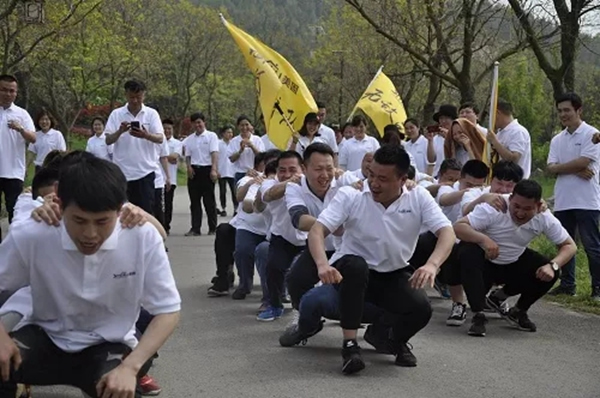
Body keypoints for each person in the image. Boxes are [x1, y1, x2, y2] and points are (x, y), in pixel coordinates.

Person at [0, 155, 180, 398]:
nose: (90, 234)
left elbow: (168, 309)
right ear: (59, 203)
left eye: (102, 221)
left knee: (118, 388)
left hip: (109, 346)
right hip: (47, 336)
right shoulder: (33, 233)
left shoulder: (141, 236)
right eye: (79, 220)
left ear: (120, 209)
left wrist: (131, 367)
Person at [305, 145, 455, 374]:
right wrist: (322, 265)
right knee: (356, 266)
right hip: (349, 269)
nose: (374, 183)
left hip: (392, 272)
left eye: (383, 179)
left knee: (421, 307)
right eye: (371, 174)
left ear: (403, 179)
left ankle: (388, 337)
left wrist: (432, 265)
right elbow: (317, 231)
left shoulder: (418, 197)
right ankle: (350, 345)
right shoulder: (351, 194)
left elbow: (447, 232)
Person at [454, 180, 577, 336]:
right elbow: (458, 227)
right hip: (484, 263)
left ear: (539, 206)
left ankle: (518, 310)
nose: (520, 213)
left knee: (550, 269)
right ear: (510, 199)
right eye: (516, 206)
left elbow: (570, 246)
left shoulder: (544, 217)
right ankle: (478, 314)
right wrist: (484, 240)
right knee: (467, 251)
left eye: (527, 209)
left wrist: (553, 266)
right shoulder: (495, 207)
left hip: (512, 262)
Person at [548, 93, 600, 300]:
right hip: (563, 199)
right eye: (560, 111)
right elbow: (550, 168)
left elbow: (583, 162)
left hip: (587, 200)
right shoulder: (557, 139)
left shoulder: (592, 134)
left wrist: (565, 167)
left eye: (567, 110)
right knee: (564, 244)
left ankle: (597, 287)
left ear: (579, 110)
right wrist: (575, 167)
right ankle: (567, 284)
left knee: (592, 246)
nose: (563, 114)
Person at [256, 151, 305, 321]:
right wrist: (289, 182)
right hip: (282, 237)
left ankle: (307, 309)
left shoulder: (309, 182)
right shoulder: (270, 183)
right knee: (274, 269)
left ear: (303, 169)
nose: (286, 174)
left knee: (302, 276)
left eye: (292, 169)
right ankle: (275, 306)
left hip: (307, 238)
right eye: (282, 170)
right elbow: (269, 195)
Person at [104, 79, 165, 213]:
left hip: (145, 172)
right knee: (122, 214)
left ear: (144, 95)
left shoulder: (151, 114)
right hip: (122, 173)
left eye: (139, 97)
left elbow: (160, 138)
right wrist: (120, 131)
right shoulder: (116, 114)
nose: (135, 101)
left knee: (146, 214)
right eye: (132, 97)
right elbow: (108, 140)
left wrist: (146, 135)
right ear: (126, 95)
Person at [0, 74, 36, 242]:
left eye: (11, 91)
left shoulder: (22, 114)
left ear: (16, 93)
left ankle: (13, 248)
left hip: (13, 171)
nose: (8, 94)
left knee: (14, 213)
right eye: (4, 90)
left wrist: (20, 129)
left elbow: (33, 138)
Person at [182, 112, 219, 236]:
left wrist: (214, 169)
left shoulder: (211, 136)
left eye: (199, 122)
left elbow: (214, 153)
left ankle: (213, 228)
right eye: (195, 123)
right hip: (194, 171)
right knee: (194, 202)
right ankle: (195, 228)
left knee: (209, 201)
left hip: (207, 170)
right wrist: (188, 167)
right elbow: (187, 155)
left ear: (204, 122)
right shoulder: (189, 139)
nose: (197, 125)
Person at [487, 100, 532, 178]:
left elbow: (514, 159)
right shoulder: (500, 133)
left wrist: (495, 142)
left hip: (514, 182)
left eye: (491, 116)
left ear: (497, 113)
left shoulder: (518, 131)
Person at [228, 115, 265, 184]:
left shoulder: (257, 139)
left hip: (255, 173)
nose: (244, 127)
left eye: (247, 125)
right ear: (238, 126)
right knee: (240, 194)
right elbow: (231, 159)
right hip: (240, 173)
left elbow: (262, 157)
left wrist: (252, 146)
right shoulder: (234, 141)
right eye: (242, 125)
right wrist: (240, 151)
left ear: (251, 126)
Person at [27, 109, 66, 174]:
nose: (44, 122)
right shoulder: (35, 135)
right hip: (39, 168)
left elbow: (62, 152)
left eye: (47, 119)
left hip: (53, 168)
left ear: (51, 121)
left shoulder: (57, 135)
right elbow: (31, 153)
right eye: (42, 119)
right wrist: (26, 167)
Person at [163, 119, 183, 235]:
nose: (167, 131)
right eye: (164, 128)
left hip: (171, 178)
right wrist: (167, 157)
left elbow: (175, 157)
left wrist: (161, 156)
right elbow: (169, 158)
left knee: (168, 203)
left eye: (169, 128)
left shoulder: (177, 143)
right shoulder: (157, 142)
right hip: (157, 178)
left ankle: (166, 225)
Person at [428, 104, 457, 177]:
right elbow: (431, 159)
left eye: (447, 118)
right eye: (441, 118)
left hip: (455, 175)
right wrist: (430, 141)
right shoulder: (436, 138)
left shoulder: (457, 137)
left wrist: (448, 137)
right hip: (438, 175)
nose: (443, 121)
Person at [217, 125, 236, 216]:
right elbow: (215, 158)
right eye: (228, 132)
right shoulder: (218, 144)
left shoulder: (234, 143)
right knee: (222, 191)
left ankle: (236, 209)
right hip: (222, 171)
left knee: (234, 191)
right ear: (223, 134)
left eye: (231, 132)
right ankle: (223, 208)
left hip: (232, 171)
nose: (230, 134)